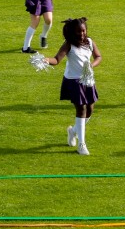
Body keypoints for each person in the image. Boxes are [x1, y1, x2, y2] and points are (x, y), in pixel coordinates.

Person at [43, 17, 102, 156]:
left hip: (87, 79)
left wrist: (91, 66)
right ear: (72, 32)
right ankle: (82, 144)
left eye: (83, 31)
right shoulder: (69, 44)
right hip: (73, 81)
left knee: (90, 110)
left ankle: (73, 131)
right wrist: (46, 60)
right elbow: (56, 60)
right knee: (81, 108)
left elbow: (98, 57)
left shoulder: (89, 42)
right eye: (78, 32)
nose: (81, 34)